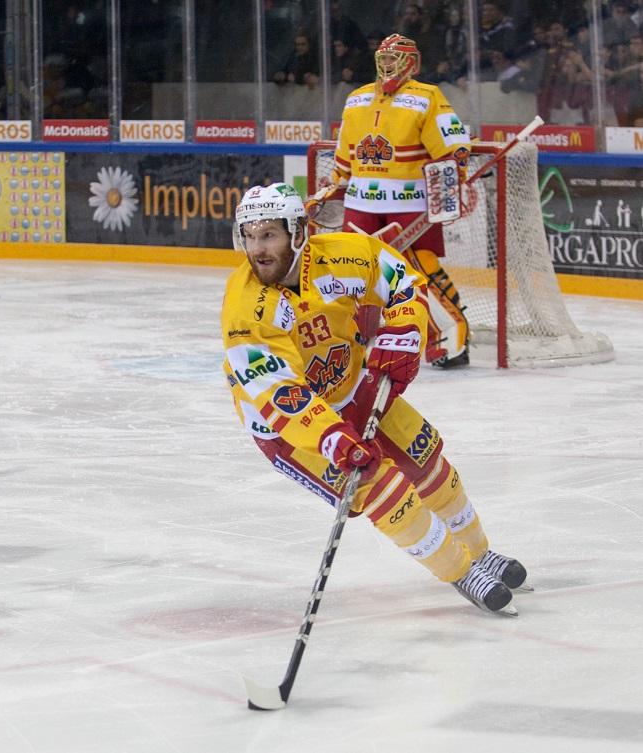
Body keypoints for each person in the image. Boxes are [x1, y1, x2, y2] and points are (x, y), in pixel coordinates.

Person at [222, 182, 528, 615]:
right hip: (289, 428)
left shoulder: (343, 255)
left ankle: (480, 554)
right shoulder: (244, 308)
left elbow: (402, 280)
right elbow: (279, 393)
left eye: (269, 234)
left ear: (298, 232)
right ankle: (461, 571)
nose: (257, 249)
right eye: (250, 236)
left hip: (353, 387)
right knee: (384, 489)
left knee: (430, 464)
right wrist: (331, 437)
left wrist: (404, 326)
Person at [329, 33, 471, 368]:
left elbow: (453, 149)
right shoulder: (356, 98)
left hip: (410, 202)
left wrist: (453, 175)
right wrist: (334, 183)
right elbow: (344, 155)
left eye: (394, 58)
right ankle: (351, 341)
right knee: (351, 272)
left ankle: (450, 338)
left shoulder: (427, 97)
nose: (388, 64)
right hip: (361, 202)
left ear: (411, 62)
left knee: (421, 269)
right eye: (384, 58)